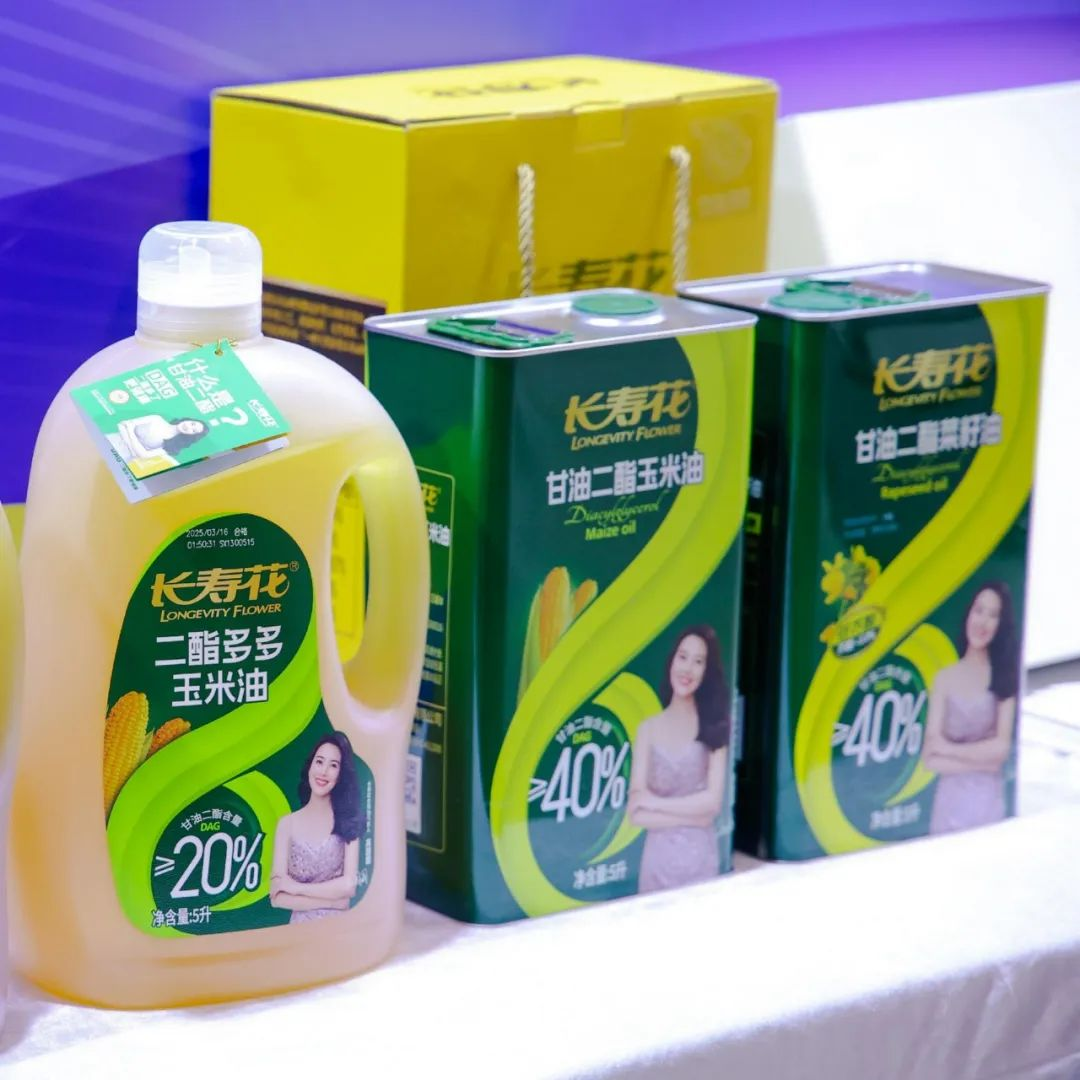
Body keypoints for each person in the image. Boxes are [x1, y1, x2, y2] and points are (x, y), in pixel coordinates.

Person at [629, 625, 730, 893]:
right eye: (683, 657)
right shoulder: (647, 729)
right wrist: (695, 818)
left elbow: (712, 803)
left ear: (706, 671)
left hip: (700, 862)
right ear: (672, 661)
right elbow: (636, 813)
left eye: (698, 661)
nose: (687, 669)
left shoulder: (715, 726)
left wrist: (656, 803)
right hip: (656, 864)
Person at [922, 582, 1019, 834]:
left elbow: (1001, 748)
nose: (983, 622)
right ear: (968, 613)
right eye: (979, 610)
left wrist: (949, 749)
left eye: (993, 615)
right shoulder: (944, 679)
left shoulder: (1004, 676)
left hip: (988, 804)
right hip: (948, 805)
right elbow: (930, 757)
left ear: (1000, 625)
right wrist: (985, 763)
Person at [270, 732, 363, 922]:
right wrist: (333, 902)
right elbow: (277, 897)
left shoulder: (349, 821)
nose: (323, 771)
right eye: (319, 762)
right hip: (298, 931)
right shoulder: (286, 824)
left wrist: (296, 888)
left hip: (338, 929)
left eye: (333, 765)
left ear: (341, 774)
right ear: (310, 766)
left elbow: (349, 886)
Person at [116, 415, 209, 462]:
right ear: (188, 420)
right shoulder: (156, 418)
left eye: (193, 430)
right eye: (192, 424)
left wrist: (129, 431)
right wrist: (134, 448)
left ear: (191, 435)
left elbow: (144, 455)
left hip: (120, 457)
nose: (188, 427)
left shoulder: (172, 446)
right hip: (113, 439)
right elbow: (122, 424)